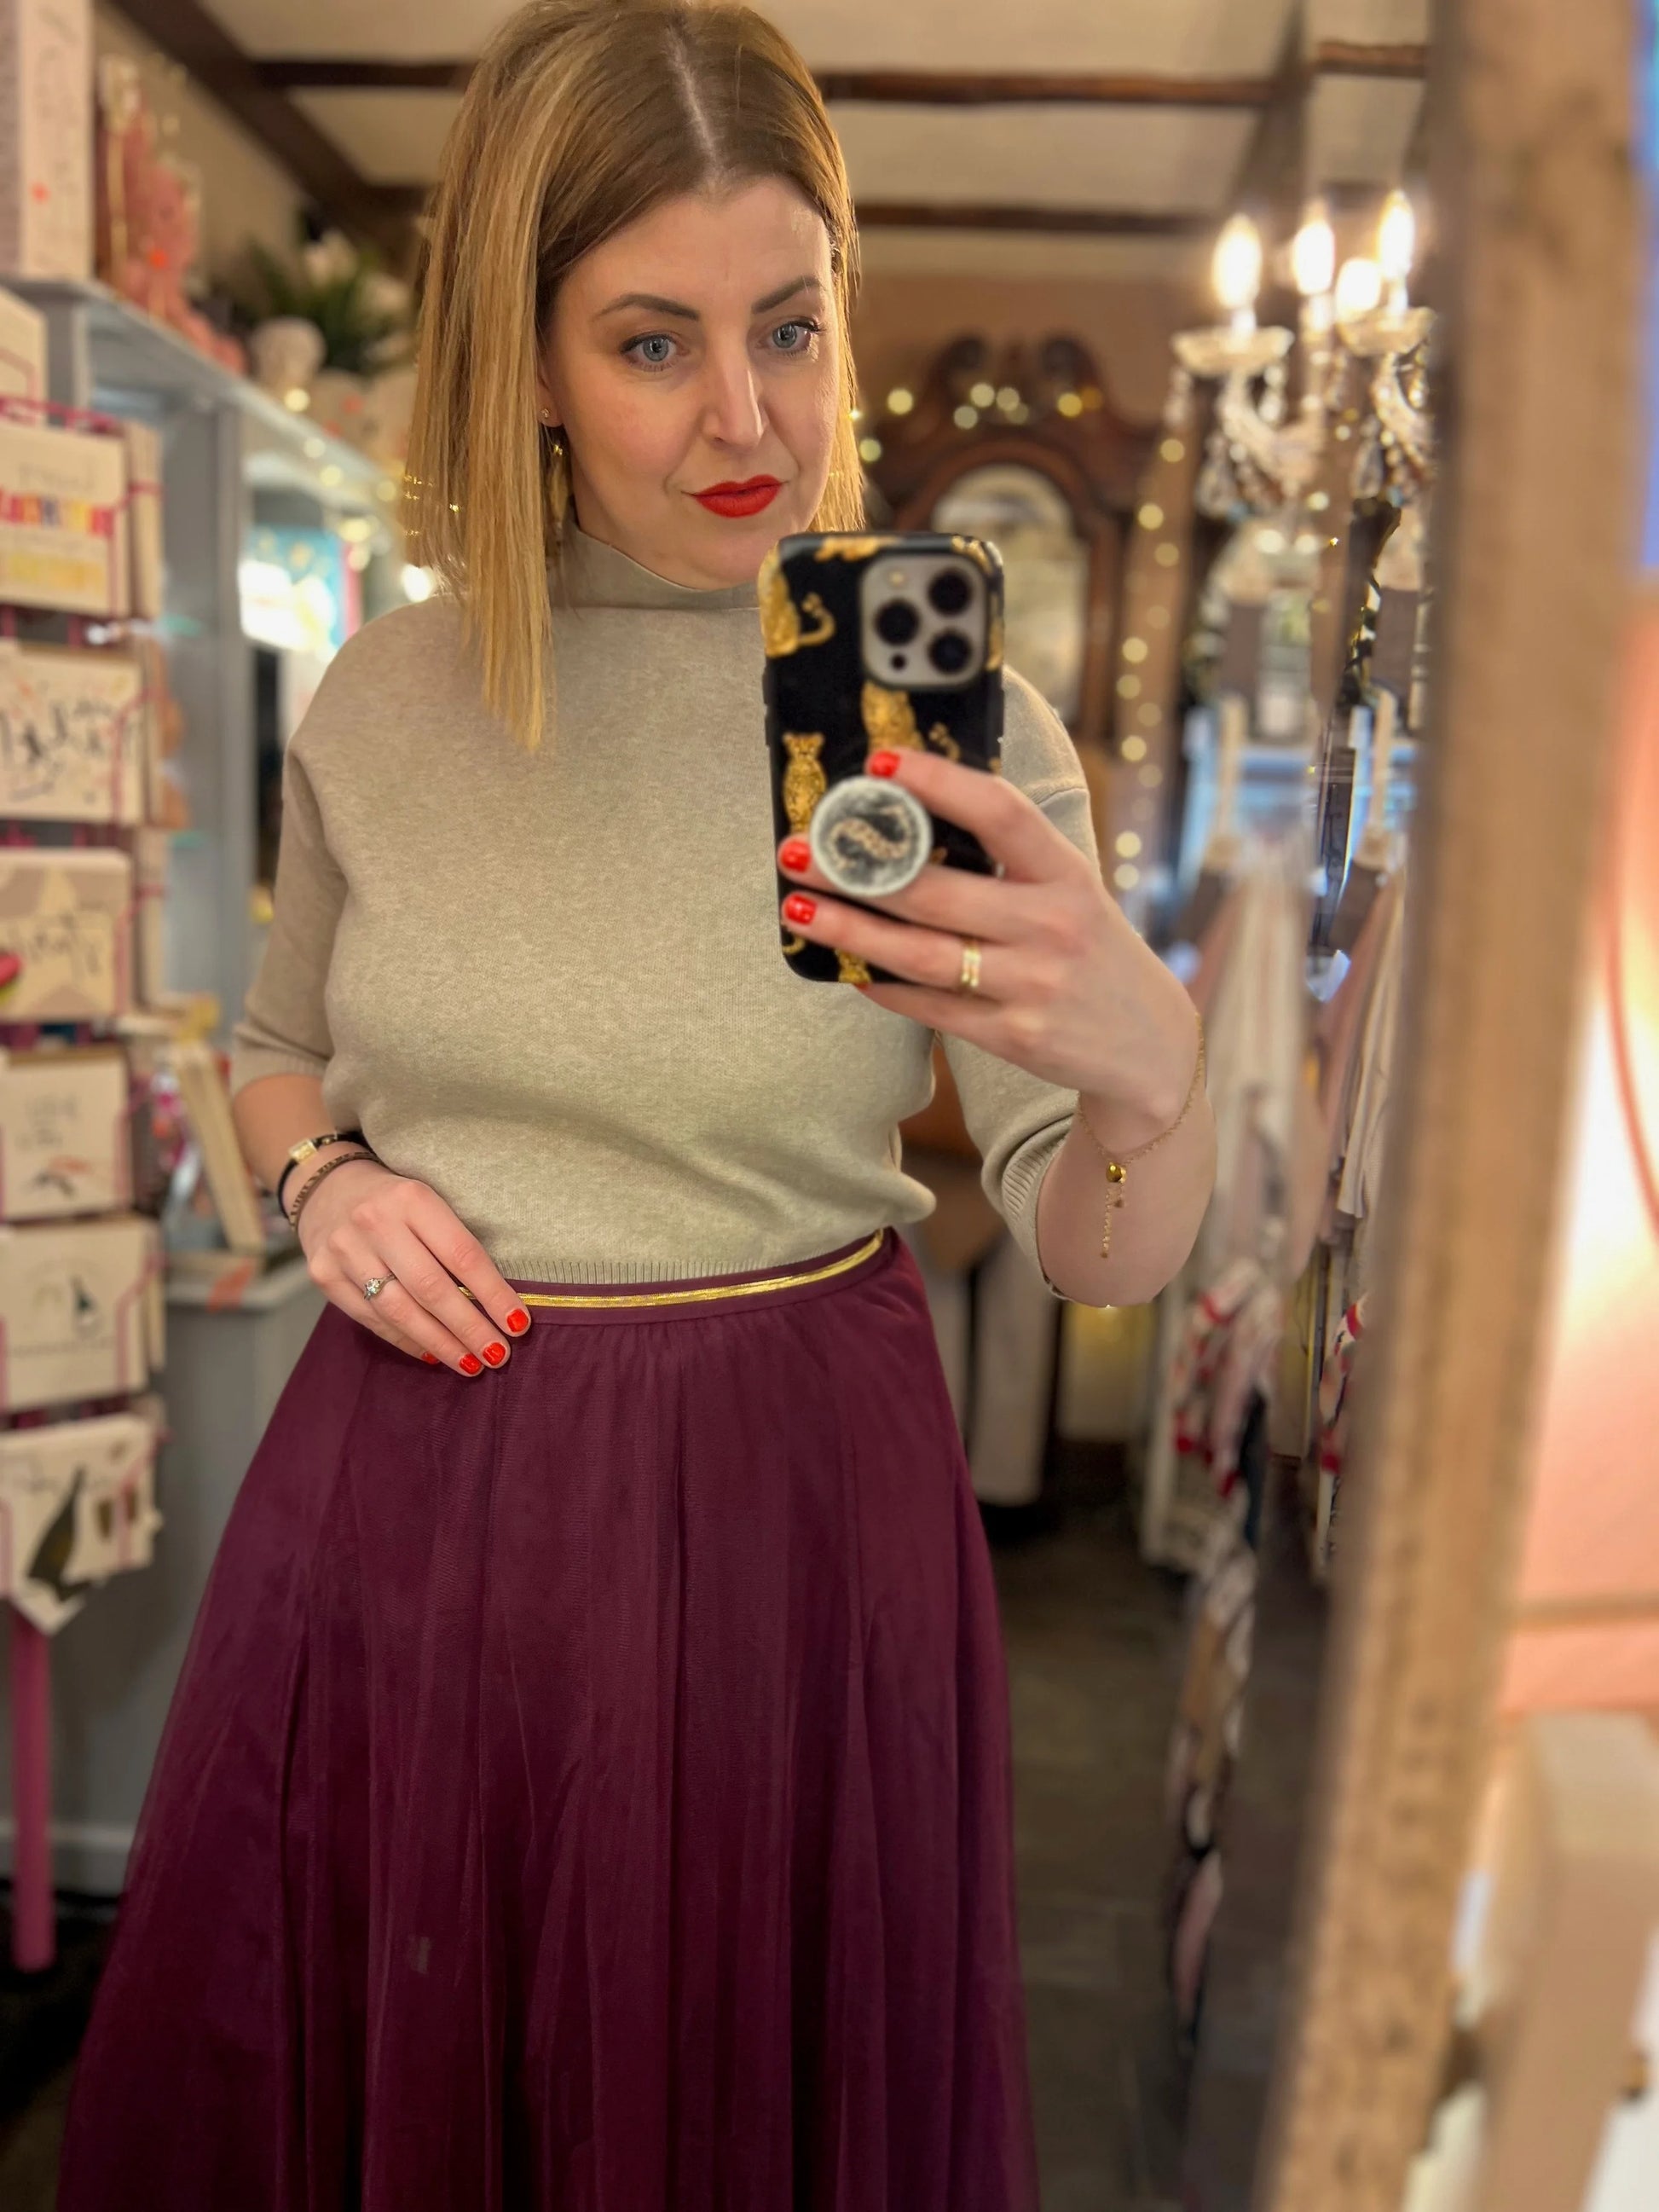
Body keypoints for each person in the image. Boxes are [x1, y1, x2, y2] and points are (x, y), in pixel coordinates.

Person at [58, 5, 1215, 2205]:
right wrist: (316, 1181)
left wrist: (1155, 1080)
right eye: (654, 342)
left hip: (797, 1503)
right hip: (417, 1495)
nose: (751, 416)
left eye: (789, 322)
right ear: (529, 357)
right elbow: (278, 1040)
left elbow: (1088, 1237)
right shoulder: (391, 695)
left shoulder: (942, 712)